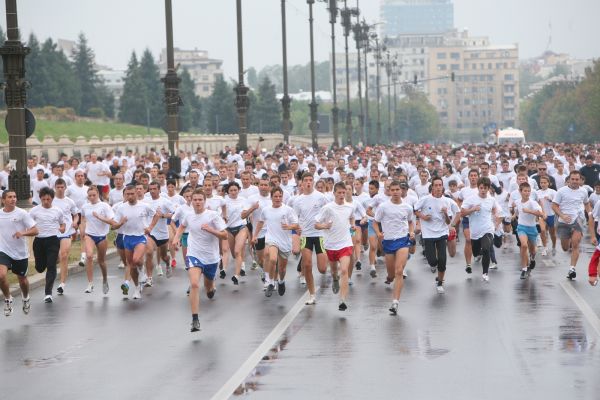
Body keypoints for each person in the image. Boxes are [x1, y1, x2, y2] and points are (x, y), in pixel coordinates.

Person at [171, 189, 227, 332]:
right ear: (191, 201)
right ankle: (195, 319)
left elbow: (225, 235)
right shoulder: (188, 216)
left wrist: (211, 230)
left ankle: (211, 288)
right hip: (194, 254)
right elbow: (182, 226)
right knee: (195, 284)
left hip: (211, 258)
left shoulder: (213, 216)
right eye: (194, 200)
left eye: (200, 200)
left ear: (204, 201)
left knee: (208, 288)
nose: (197, 202)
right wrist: (176, 237)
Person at [110, 185, 160, 299]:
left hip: (140, 237)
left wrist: (150, 228)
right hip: (127, 238)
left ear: (136, 194)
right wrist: (120, 223)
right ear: (125, 195)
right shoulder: (121, 208)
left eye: (132, 194)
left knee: (136, 259)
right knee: (131, 265)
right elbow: (113, 226)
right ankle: (137, 288)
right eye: (128, 194)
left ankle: (142, 272)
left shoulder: (144, 206)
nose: (130, 196)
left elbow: (157, 215)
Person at [373, 181, 415, 315]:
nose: (396, 192)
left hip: (402, 240)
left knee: (399, 271)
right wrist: (379, 233)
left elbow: (410, 222)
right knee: (391, 274)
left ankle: (395, 302)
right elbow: (375, 222)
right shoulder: (383, 207)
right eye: (393, 190)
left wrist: (412, 231)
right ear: (389, 191)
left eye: (398, 189)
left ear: (401, 191)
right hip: (388, 242)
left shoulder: (407, 207)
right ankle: (389, 278)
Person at [414, 177, 460, 294]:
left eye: (440, 185)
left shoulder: (447, 201)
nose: (438, 187)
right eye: (436, 185)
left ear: (442, 187)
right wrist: (423, 217)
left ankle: (440, 283)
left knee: (442, 260)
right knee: (432, 261)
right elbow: (415, 210)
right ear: (432, 187)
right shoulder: (425, 199)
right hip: (428, 234)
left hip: (442, 233)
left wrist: (446, 214)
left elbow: (452, 218)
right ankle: (433, 265)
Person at [315, 182, 355, 310]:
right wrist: (324, 226)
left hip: (345, 243)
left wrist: (353, 226)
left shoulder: (350, 207)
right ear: (334, 193)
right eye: (339, 193)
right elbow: (316, 224)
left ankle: (342, 300)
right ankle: (335, 279)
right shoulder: (328, 208)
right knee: (333, 271)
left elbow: (352, 218)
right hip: (331, 245)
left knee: (344, 270)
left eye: (344, 192)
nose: (342, 195)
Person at [252, 187, 298, 297]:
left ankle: (281, 281)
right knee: (272, 258)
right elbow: (260, 222)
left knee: (282, 269)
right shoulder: (266, 210)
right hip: (271, 239)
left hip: (285, 242)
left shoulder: (288, 210)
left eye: (280, 196)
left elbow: (296, 225)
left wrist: (289, 226)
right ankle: (271, 282)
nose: (278, 198)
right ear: (271, 197)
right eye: (275, 196)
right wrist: (255, 235)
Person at [293, 173, 329, 305]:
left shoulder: (321, 197)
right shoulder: (298, 200)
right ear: (302, 183)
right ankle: (312, 294)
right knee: (307, 265)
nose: (308, 182)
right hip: (306, 235)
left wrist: (326, 225)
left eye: (310, 180)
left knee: (323, 269)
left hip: (319, 235)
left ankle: (332, 269)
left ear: (313, 182)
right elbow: (294, 218)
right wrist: (296, 228)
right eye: (306, 180)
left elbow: (329, 213)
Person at [0, 190, 38, 316]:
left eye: (15, 197)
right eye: (10, 197)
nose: (13, 199)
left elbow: (35, 230)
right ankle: (7, 299)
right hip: (3, 250)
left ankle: (25, 297)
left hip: (20, 253)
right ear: (3, 200)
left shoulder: (22, 213)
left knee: (22, 280)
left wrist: (23, 233)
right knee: (1, 275)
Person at [552, 171, 594, 280]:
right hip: (563, 221)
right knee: (565, 248)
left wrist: (589, 213)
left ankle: (572, 269)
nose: (575, 181)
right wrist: (562, 215)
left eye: (577, 179)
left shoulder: (583, 191)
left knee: (575, 244)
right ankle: (568, 240)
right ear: (569, 180)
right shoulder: (561, 191)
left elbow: (586, 203)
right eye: (573, 179)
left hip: (578, 220)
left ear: (580, 180)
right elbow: (554, 205)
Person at [460, 177, 501, 282]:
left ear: (488, 189)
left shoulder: (491, 199)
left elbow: (495, 208)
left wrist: (496, 215)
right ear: (478, 188)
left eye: (485, 188)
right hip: (475, 232)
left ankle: (485, 273)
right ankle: (479, 254)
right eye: (481, 188)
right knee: (476, 252)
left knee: (487, 249)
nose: (483, 190)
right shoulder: (471, 199)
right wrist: (473, 209)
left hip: (487, 229)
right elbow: (462, 213)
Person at [29, 187, 66, 303]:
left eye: (48, 199)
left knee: (51, 266)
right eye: (43, 199)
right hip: (39, 241)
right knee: (40, 268)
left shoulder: (57, 211)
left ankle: (48, 293)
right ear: (40, 198)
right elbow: (28, 224)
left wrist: (61, 228)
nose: (46, 201)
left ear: (52, 199)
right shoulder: (34, 211)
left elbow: (63, 224)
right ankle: (49, 260)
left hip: (52, 240)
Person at [79, 186, 114, 294]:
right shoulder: (85, 207)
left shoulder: (104, 206)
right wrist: (82, 229)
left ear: (98, 194)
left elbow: (112, 221)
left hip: (102, 236)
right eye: (90, 196)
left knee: (101, 261)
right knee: (89, 256)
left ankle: (104, 279)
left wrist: (99, 217)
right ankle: (90, 284)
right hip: (90, 234)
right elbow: (83, 219)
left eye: (94, 195)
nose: (92, 197)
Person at [511, 182, 544, 279]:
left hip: (532, 228)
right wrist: (513, 216)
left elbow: (540, 213)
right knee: (524, 245)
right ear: (520, 191)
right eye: (525, 191)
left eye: (529, 191)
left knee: (533, 250)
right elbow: (517, 211)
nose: (527, 193)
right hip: (521, 227)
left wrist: (529, 211)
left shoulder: (532, 203)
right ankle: (524, 269)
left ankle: (532, 258)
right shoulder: (517, 201)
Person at [53, 179, 79, 295]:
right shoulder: (51, 200)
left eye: (62, 187)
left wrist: (75, 222)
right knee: (55, 258)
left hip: (67, 232)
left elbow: (76, 215)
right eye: (58, 187)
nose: (60, 189)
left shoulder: (70, 201)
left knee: (64, 255)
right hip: (53, 233)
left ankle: (62, 284)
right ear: (55, 188)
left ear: (65, 188)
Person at [223, 182, 249, 285]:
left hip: (241, 227)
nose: (233, 192)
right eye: (231, 190)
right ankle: (241, 263)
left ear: (238, 190)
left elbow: (246, 213)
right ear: (228, 191)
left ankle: (236, 276)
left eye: (235, 190)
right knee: (234, 254)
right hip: (229, 228)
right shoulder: (224, 201)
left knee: (238, 251)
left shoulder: (243, 200)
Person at [537, 175, 557, 256]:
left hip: (551, 215)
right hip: (542, 215)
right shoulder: (537, 192)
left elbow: (557, 204)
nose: (543, 184)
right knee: (542, 230)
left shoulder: (553, 192)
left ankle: (554, 246)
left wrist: (550, 200)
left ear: (549, 183)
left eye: (545, 182)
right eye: (541, 182)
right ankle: (545, 247)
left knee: (553, 234)